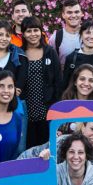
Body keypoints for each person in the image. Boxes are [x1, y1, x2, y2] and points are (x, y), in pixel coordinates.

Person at [16, 16, 61, 147]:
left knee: (46, 147)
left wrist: (56, 107)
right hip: (26, 109)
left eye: (36, 30)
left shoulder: (50, 52)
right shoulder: (19, 53)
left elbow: (58, 81)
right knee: (27, 146)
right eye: (28, 31)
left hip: (46, 109)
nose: (33, 34)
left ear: (40, 32)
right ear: (23, 34)